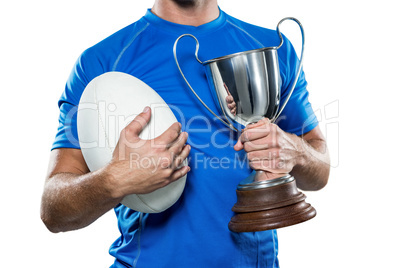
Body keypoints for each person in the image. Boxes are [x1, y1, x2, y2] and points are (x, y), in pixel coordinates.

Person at [40, 0, 330, 267]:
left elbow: (320, 170)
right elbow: (54, 210)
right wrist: (114, 179)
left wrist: (296, 150)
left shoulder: (271, 48)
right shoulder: (102, 62)